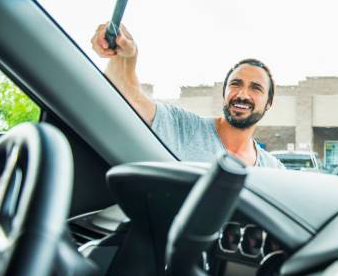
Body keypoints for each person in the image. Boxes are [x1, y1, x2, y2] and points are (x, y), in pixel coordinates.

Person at [91, 22, 284, 169]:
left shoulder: (273, 169)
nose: (242, 94)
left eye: (256, 88)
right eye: (235, 84)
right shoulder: (185, 128)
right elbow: (128, 98)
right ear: (225, 92)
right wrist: (126, 57)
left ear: (269, 103)